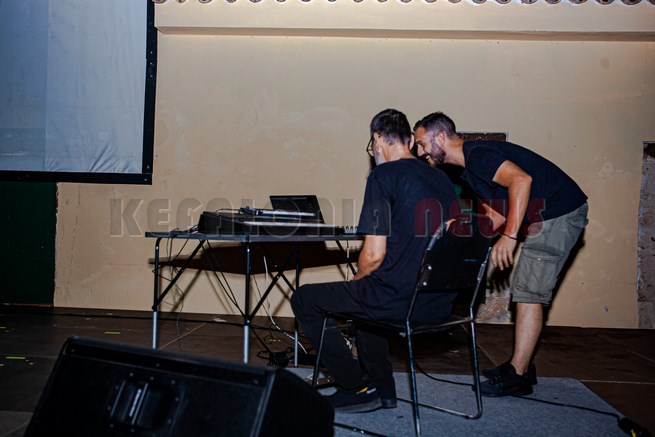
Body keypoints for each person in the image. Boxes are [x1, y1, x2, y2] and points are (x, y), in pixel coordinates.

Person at [291, 109, 459, 413]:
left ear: (377, 138)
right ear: (410, 141)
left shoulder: (383, 176)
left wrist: (358, 279)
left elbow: (373, 254)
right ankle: (383, 390)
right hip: (437, 302)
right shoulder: (441, 178)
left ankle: (353, 386)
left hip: (398, 300)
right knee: (366, 304)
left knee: (305, 299)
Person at [413, 111, 588, 397]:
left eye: (421, 144)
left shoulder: (477, 155)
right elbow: (495, 216)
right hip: (546, 215)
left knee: (529, 292)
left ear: (441, 137)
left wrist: (510, 236)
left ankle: (517, 376)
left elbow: (521, 181)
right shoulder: (468, 170)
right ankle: (521, 366)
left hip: (558, 213)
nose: (420, 153)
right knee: (525, 290)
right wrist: (458, 230)